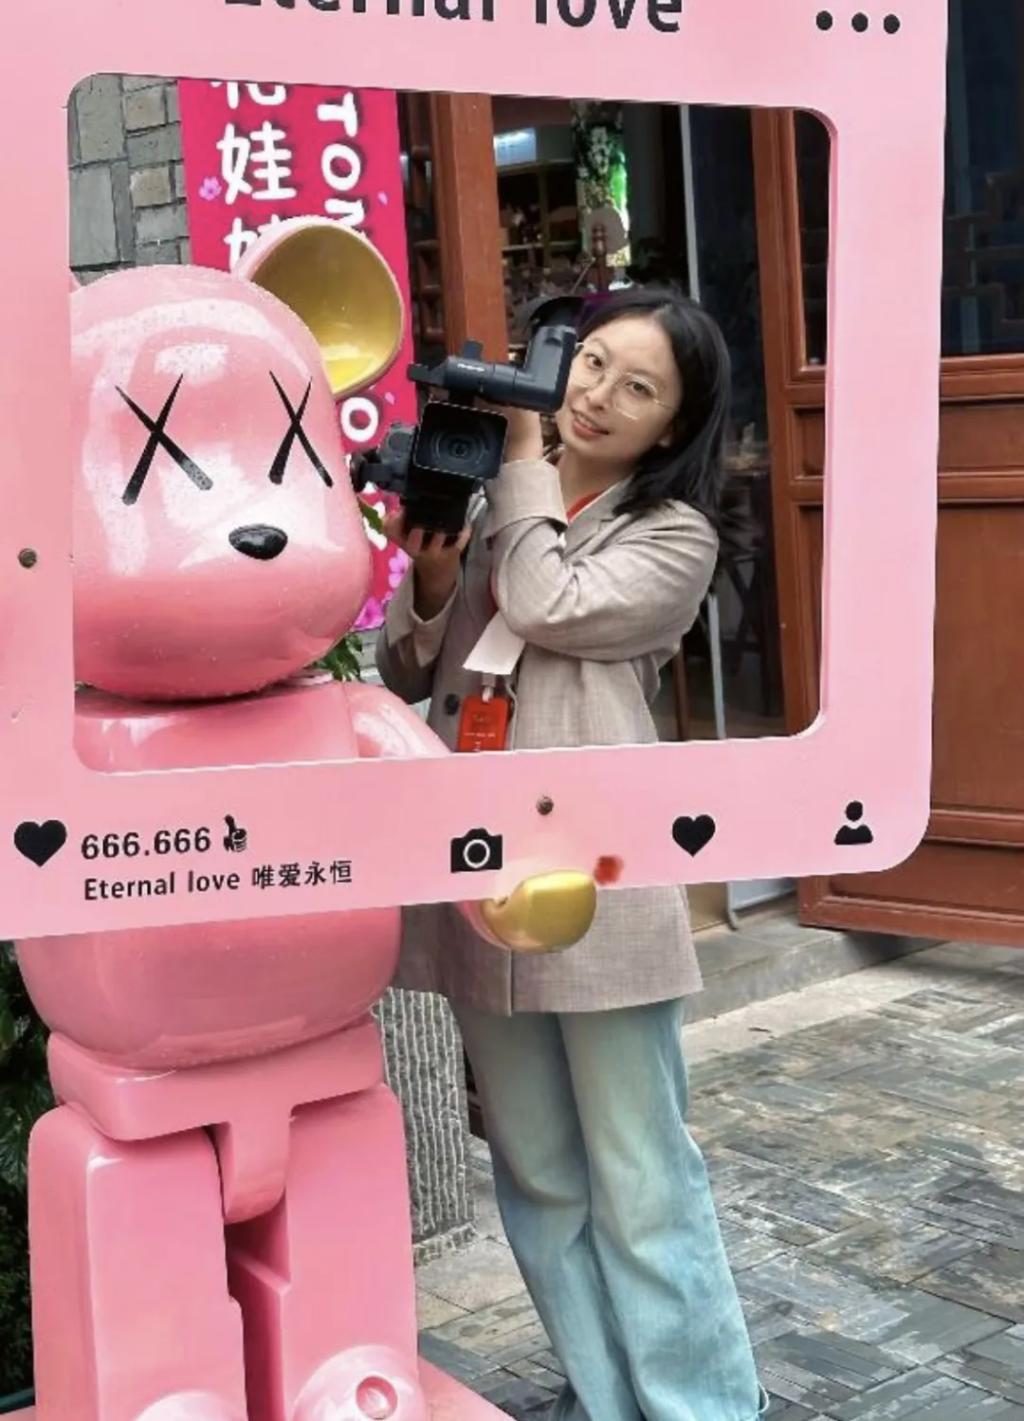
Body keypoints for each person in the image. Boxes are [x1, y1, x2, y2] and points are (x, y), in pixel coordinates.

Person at [376, 285, 768, 1421]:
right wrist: (434, 580)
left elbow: (548, 600)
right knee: (539, 1172)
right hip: (481, 872)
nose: (595, 395)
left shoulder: (672, 535)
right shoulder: (507, 494)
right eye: (589, 362)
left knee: (641, 1174)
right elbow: (409, 670)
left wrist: (518, 459)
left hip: (597, 884)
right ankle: (606, 1398)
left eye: (636, 388)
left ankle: (701, 1407)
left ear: (670, 425)